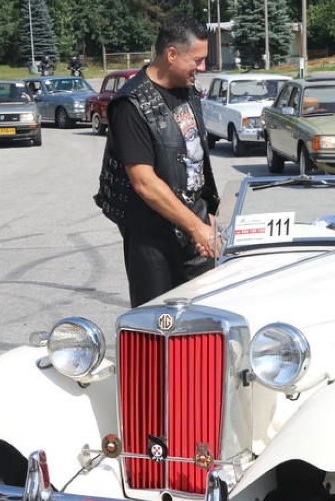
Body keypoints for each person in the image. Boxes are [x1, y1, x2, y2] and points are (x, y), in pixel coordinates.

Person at [94, 15, 219, 308]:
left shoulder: (189, 93)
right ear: (171, 54)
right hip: (153, 244)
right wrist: (196, 227)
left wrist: (208, 217)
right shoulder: (131, 104)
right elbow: (144, 182)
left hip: (194, 232)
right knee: (158, 327)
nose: (202, 68)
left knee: (205, 323)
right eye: (197, 60)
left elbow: (194, 164)